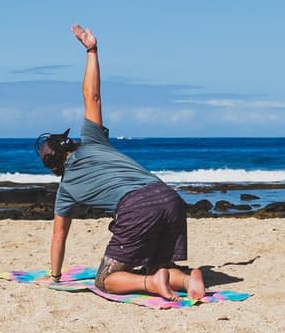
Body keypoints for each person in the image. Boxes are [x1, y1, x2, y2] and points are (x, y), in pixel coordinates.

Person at [36, 25, 209, 301]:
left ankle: (152, 284)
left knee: (105, 279)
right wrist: (91, 50)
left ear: (53, 166)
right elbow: (92, 95)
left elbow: (59, 235)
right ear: (68, 144)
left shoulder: (66, 190)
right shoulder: (92, 139)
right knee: (160, 264)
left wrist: (55, 276)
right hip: (168, 196)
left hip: (136, 206)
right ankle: (189, 279)